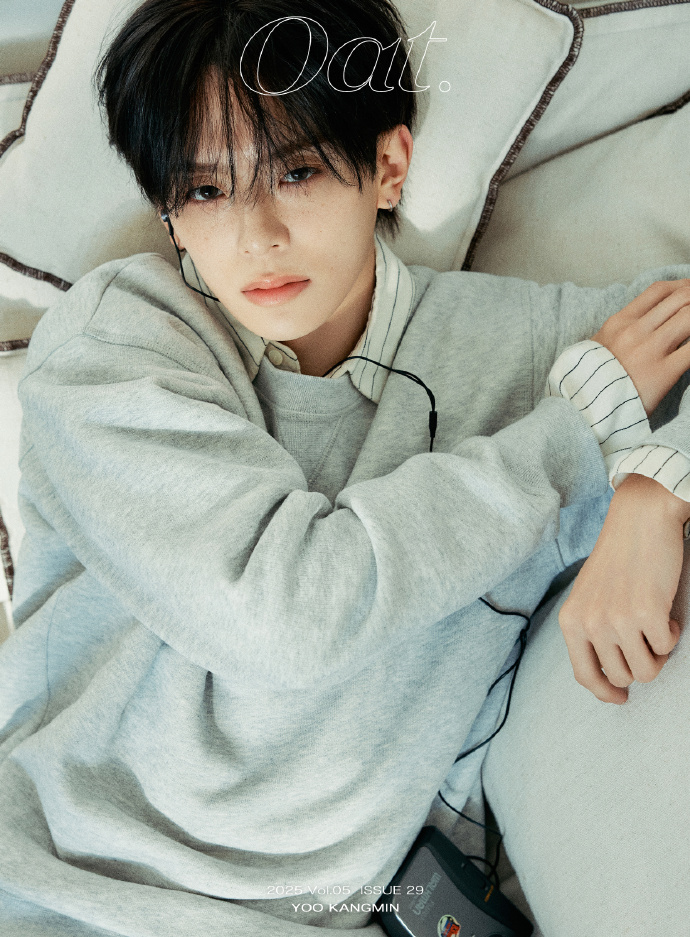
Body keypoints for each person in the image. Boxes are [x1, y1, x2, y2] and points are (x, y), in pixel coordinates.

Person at [1, 1, 690, 934]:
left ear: (389, 166)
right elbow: (284, 617)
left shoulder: (532, 351)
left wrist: (655, 489)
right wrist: (574, 441)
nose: (256, 236)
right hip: (64, 896)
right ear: (169, 211)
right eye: (205, 190)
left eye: (296, 172)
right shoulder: (118, 341)